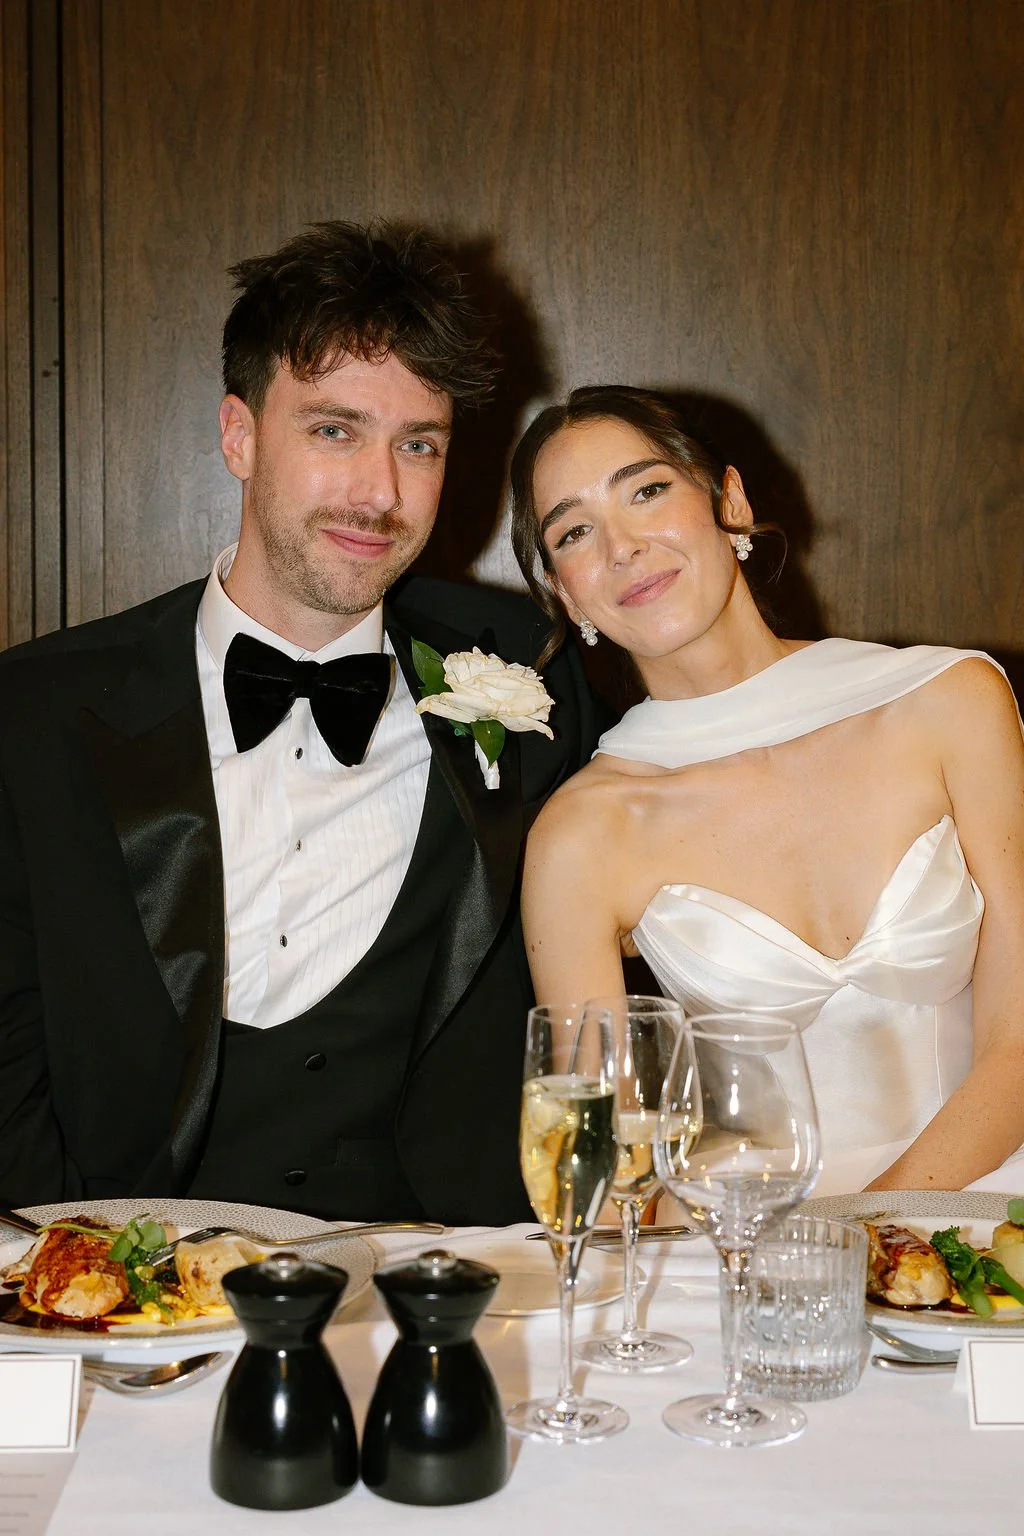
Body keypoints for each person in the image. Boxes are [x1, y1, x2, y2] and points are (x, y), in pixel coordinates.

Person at [0, 222, 598, 1223]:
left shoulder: (527, 667)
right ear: (238, 435)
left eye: (420, 445)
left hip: (449, 1294)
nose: (380, 493)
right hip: (133, 1305)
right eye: (334, 430)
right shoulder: (36, 714)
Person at [510, 385, 1024, 1196]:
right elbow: (599, 1170)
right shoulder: (581, 835)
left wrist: (872, 1243)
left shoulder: (949, 702)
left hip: (989, 1221)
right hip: (750, 1255)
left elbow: (1017, 1044)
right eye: (575, 531)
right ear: (567, 591)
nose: (623, 546)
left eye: (646, 491)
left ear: (731, 503)